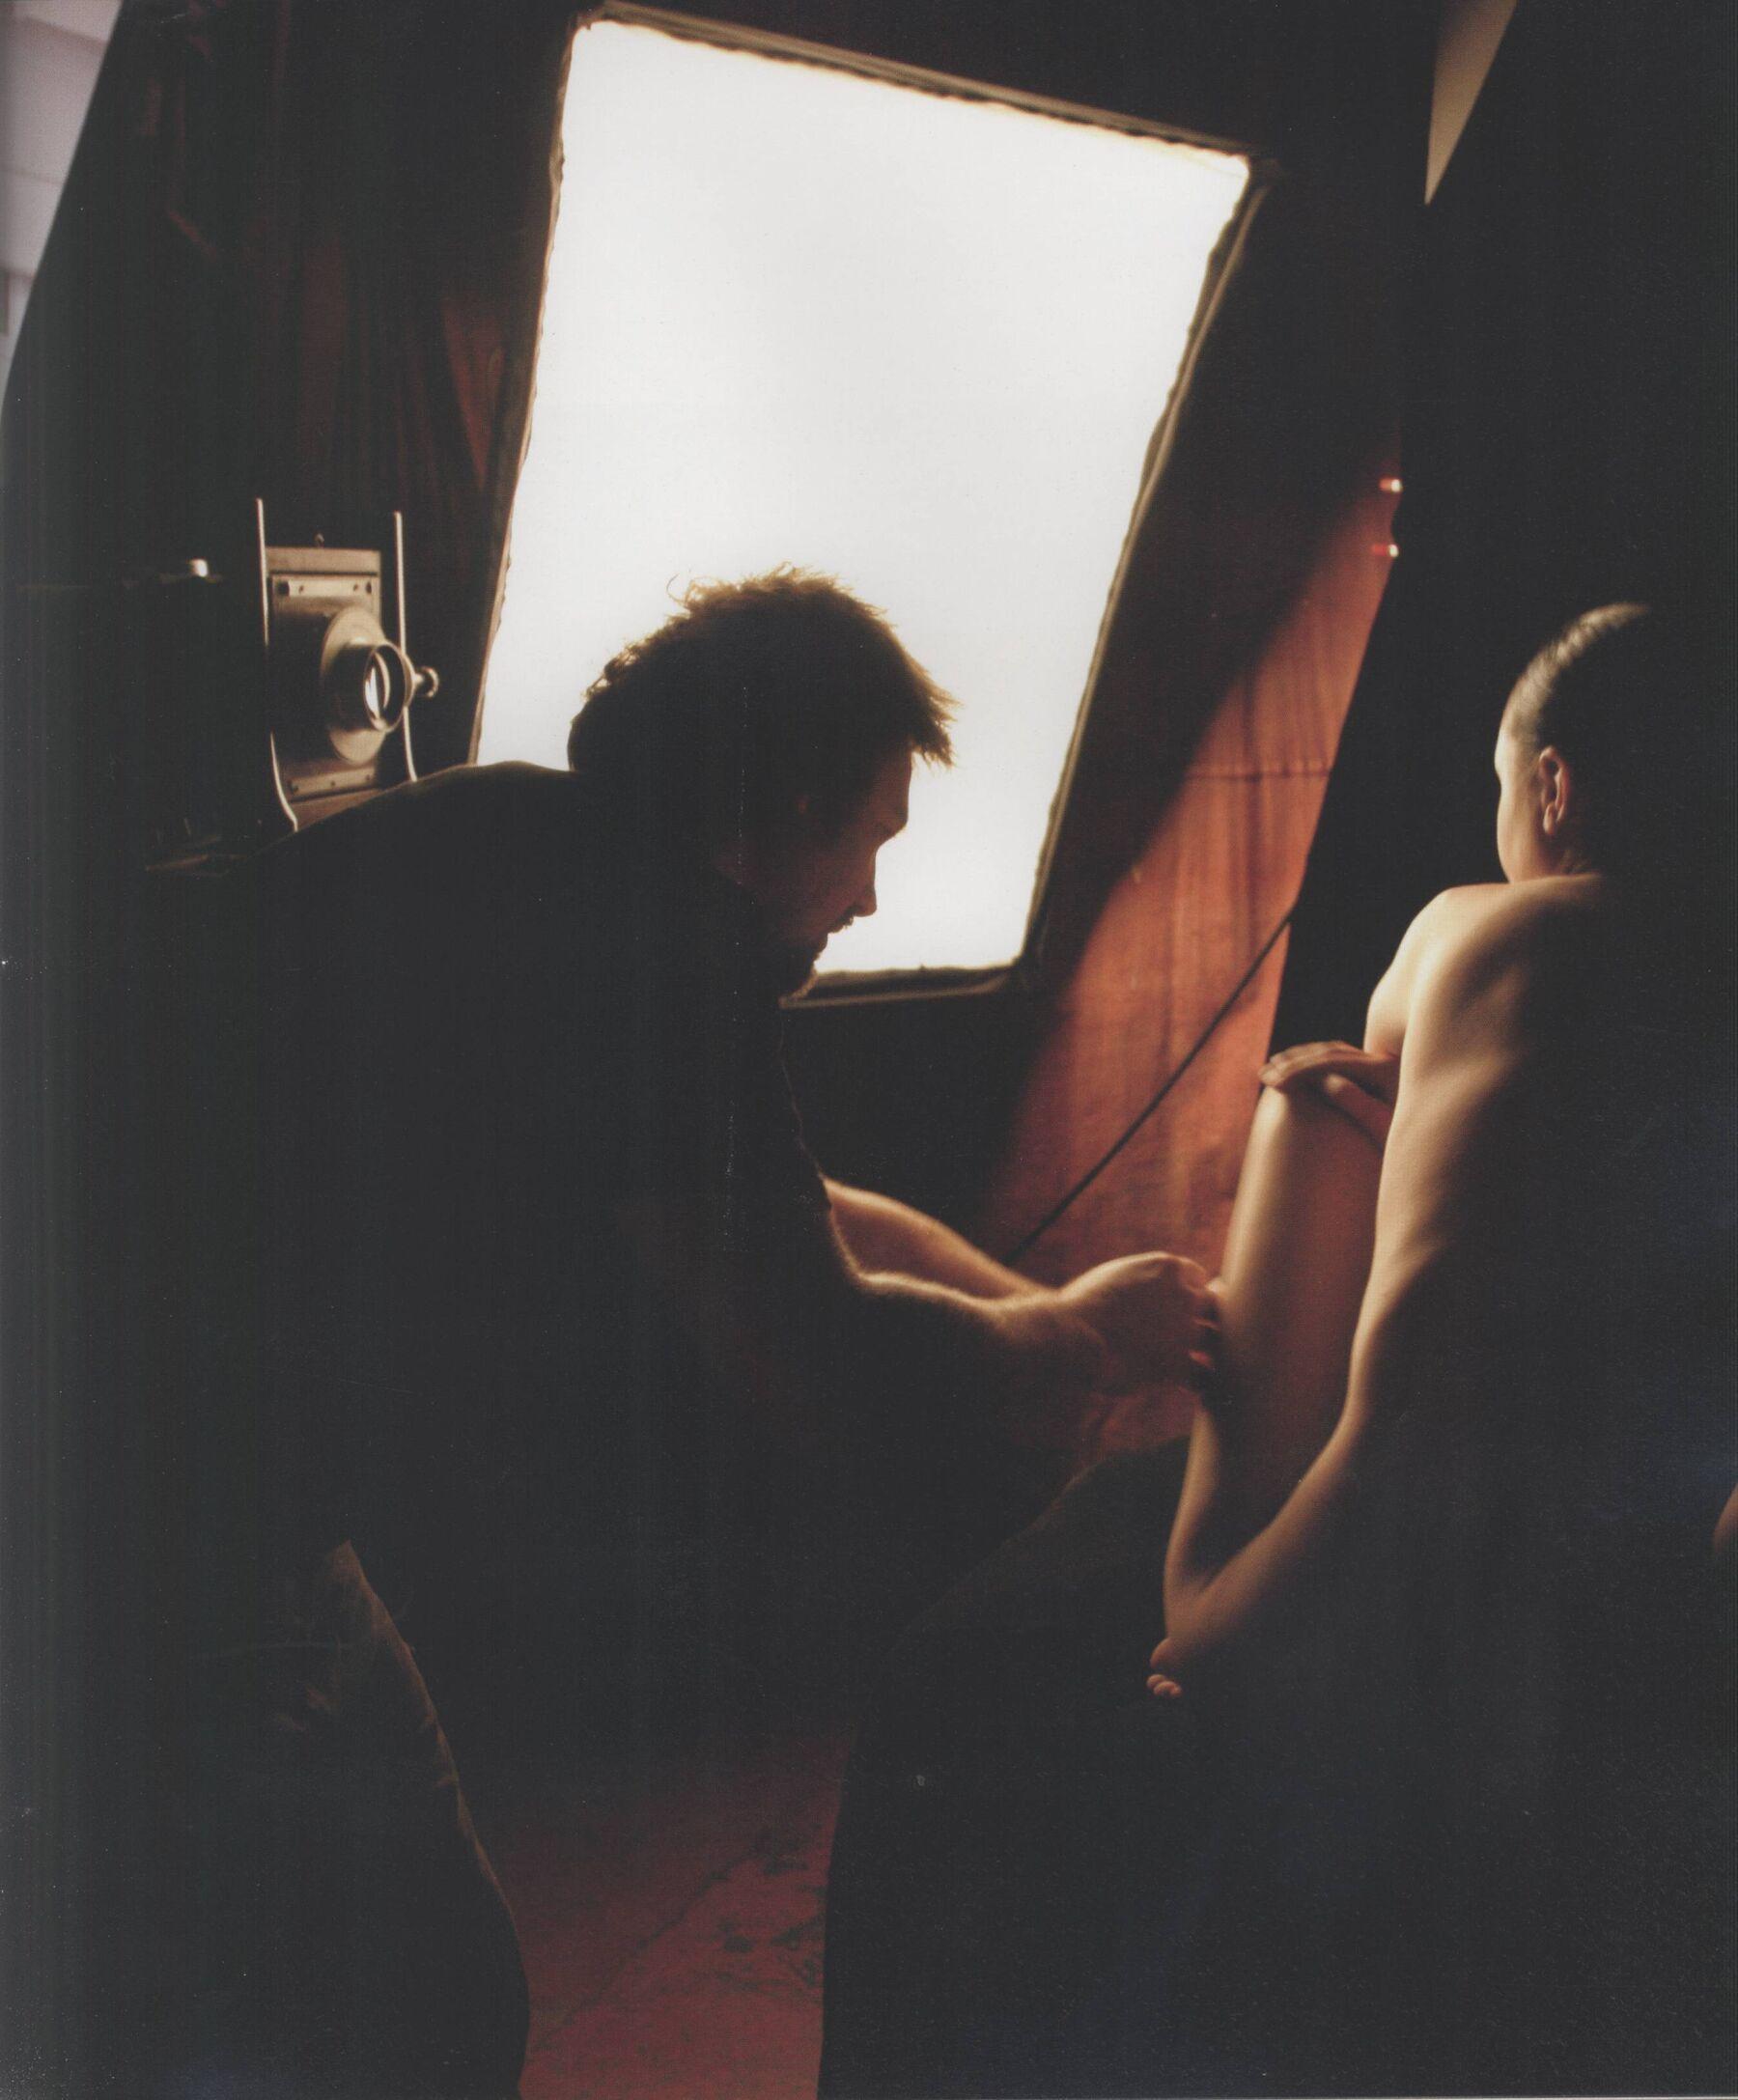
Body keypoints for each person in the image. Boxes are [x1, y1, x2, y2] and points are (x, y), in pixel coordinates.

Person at [67, 569, 1209, 2098]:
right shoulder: (659, 950)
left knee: (410, 1985)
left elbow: (791, 1219)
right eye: (871, 839)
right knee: (379, 2011)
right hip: (143, 1524)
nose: (869, 897)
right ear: (782, 809)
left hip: (170, 1468)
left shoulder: (525, 837)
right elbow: (816, 1358)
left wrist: (1030, 1307)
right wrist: (1080, 1342)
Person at [819, 603, 1734, 2097]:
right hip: (1643, 1585)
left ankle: (1208, 1616)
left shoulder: (1472, 929)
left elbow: (1432, 1402)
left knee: (1322, 1093)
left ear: (1552, 787)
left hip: (1364, 1568)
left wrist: (1231, 1632)